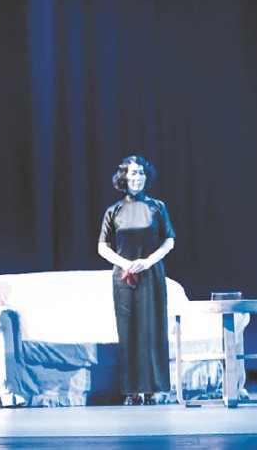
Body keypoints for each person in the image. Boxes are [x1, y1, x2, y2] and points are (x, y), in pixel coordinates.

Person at [98, 155, 175, 405]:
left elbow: (169, 240)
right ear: (124, 177)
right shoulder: (114, 211)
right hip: (124, 277)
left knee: (152, 328)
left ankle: (153, 388)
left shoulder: (157, 207)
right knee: (129, 330)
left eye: (141, 173)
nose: (137, 177)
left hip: (151, 273)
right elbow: (102, 246)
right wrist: (124, 263)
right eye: (133, 173)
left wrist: (148, 261)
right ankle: (132, 390)